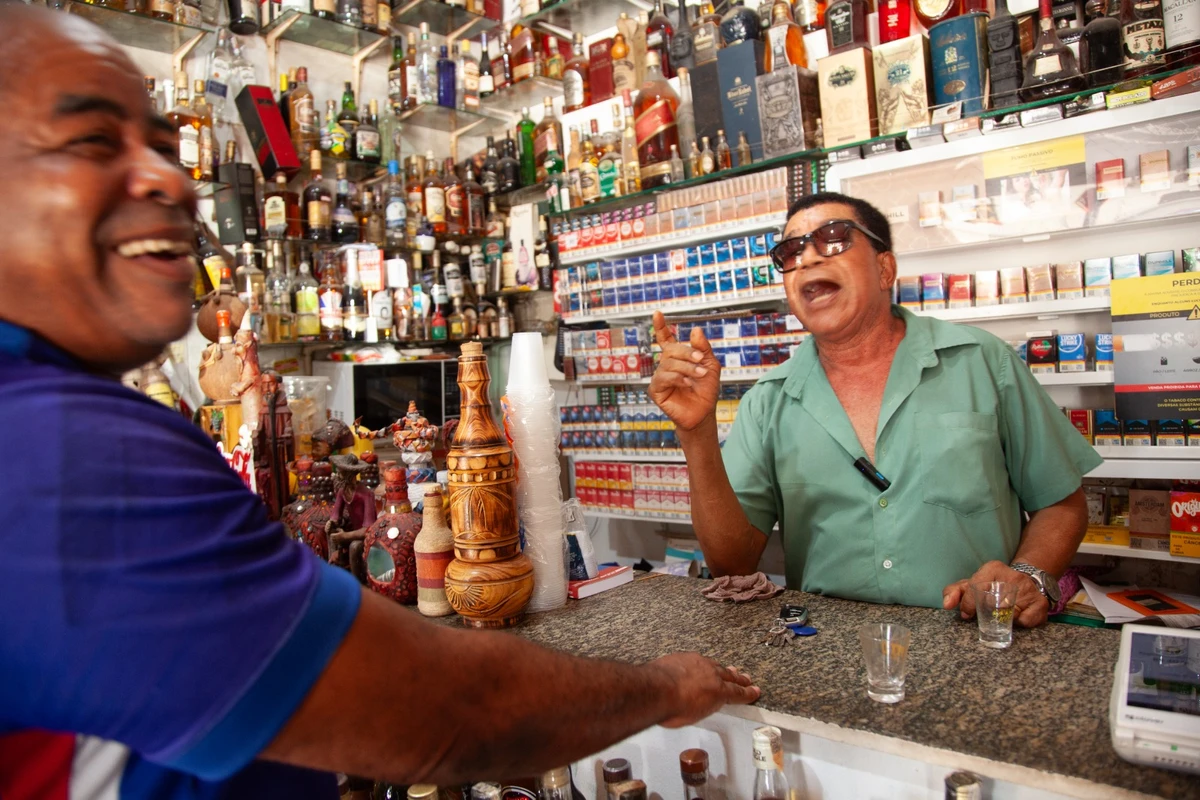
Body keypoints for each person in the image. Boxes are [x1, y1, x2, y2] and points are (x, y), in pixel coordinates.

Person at [0, 6, 758, 798]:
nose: (167, 179)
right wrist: (666, 688)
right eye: (89, 142)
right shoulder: (56, 448)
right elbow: (450, 711)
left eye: (163, 146)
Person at [649, 191, 1102, 629]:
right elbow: (733, 562)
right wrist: (697, 433)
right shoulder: (769, 399)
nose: (806, 258)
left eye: (834, 238)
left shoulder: (981, 361)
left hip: (971, 636)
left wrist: (1028, 576)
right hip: (827, 648)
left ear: (885, 268)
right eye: (790, 251)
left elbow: (1061, 503)